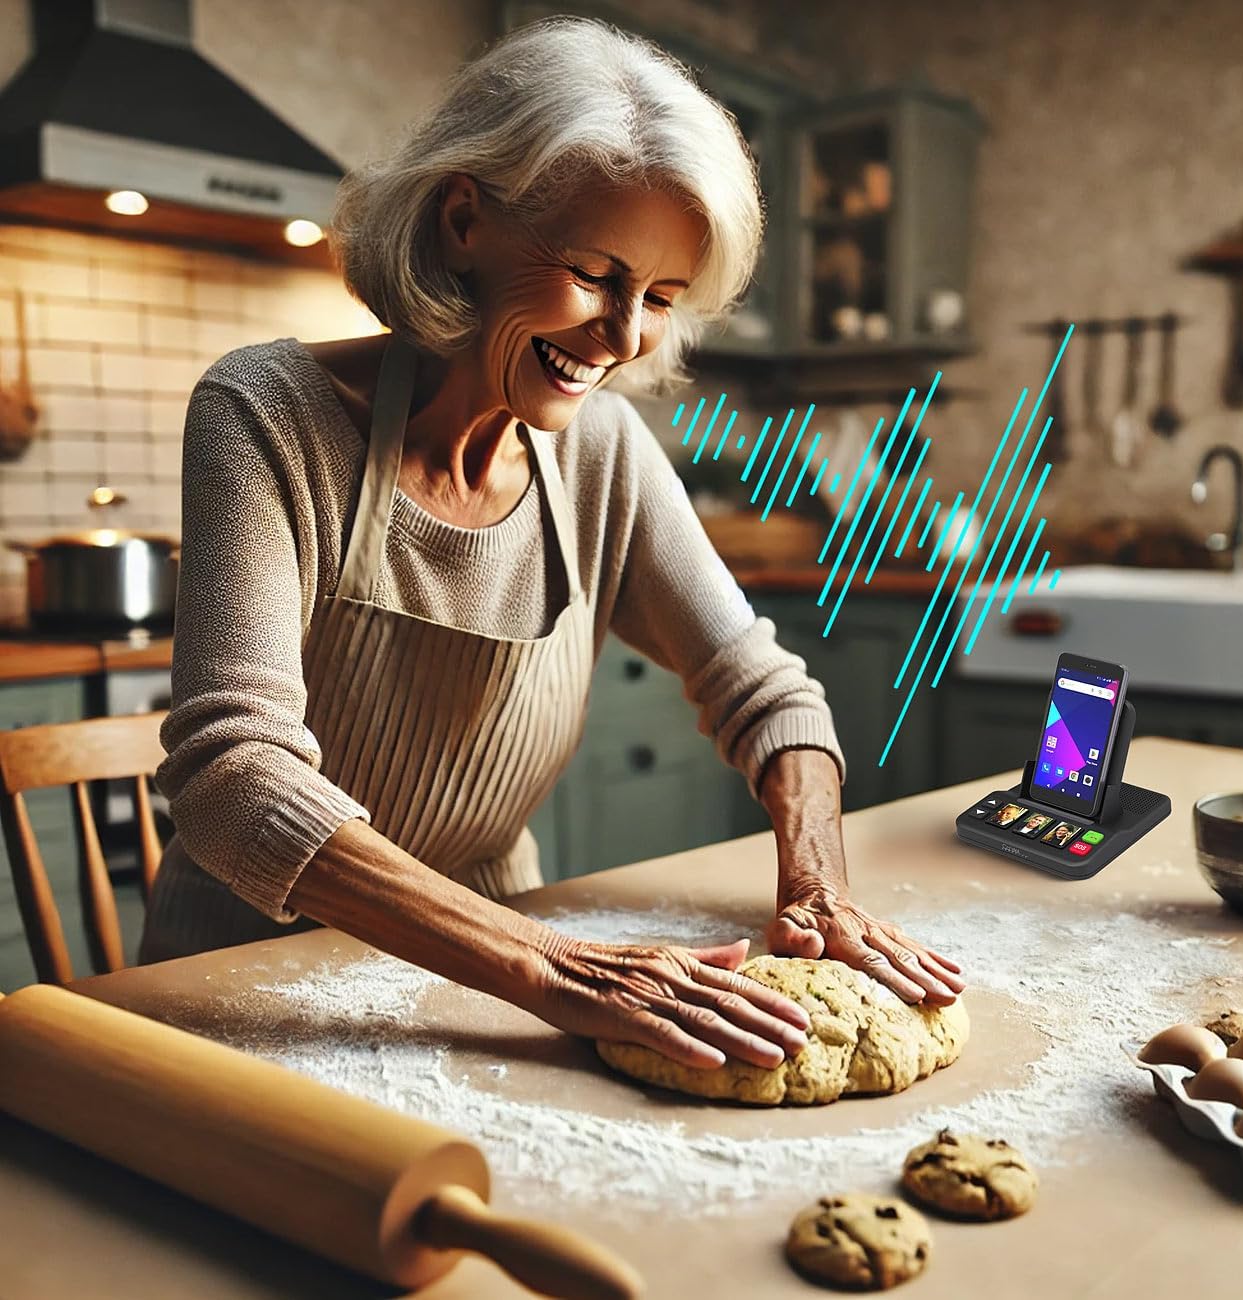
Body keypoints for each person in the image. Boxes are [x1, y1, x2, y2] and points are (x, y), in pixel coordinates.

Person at [141, 15, 964, 1072]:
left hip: (481, 996)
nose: (623, 337)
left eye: (660, 298)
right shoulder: (266, 411)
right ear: (461, 222)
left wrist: (816, 886)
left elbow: (766, 689)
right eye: (594, 273)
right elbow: (232, 776)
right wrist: (554, 967)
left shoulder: (602, 453)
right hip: (250, 991)